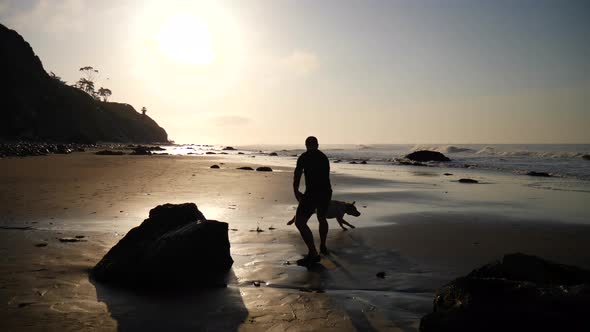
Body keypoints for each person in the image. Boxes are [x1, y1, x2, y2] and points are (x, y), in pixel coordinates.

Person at [293, 136, 332, 266]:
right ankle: (323, 246)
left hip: (312, 193)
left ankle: (313, 253)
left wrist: (296, 190)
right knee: (322, 218)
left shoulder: (304, 157)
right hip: (326, 192)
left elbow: (297, 174)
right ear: (317, 145)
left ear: (306, 145)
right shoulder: (323, 157)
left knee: (300, 222)